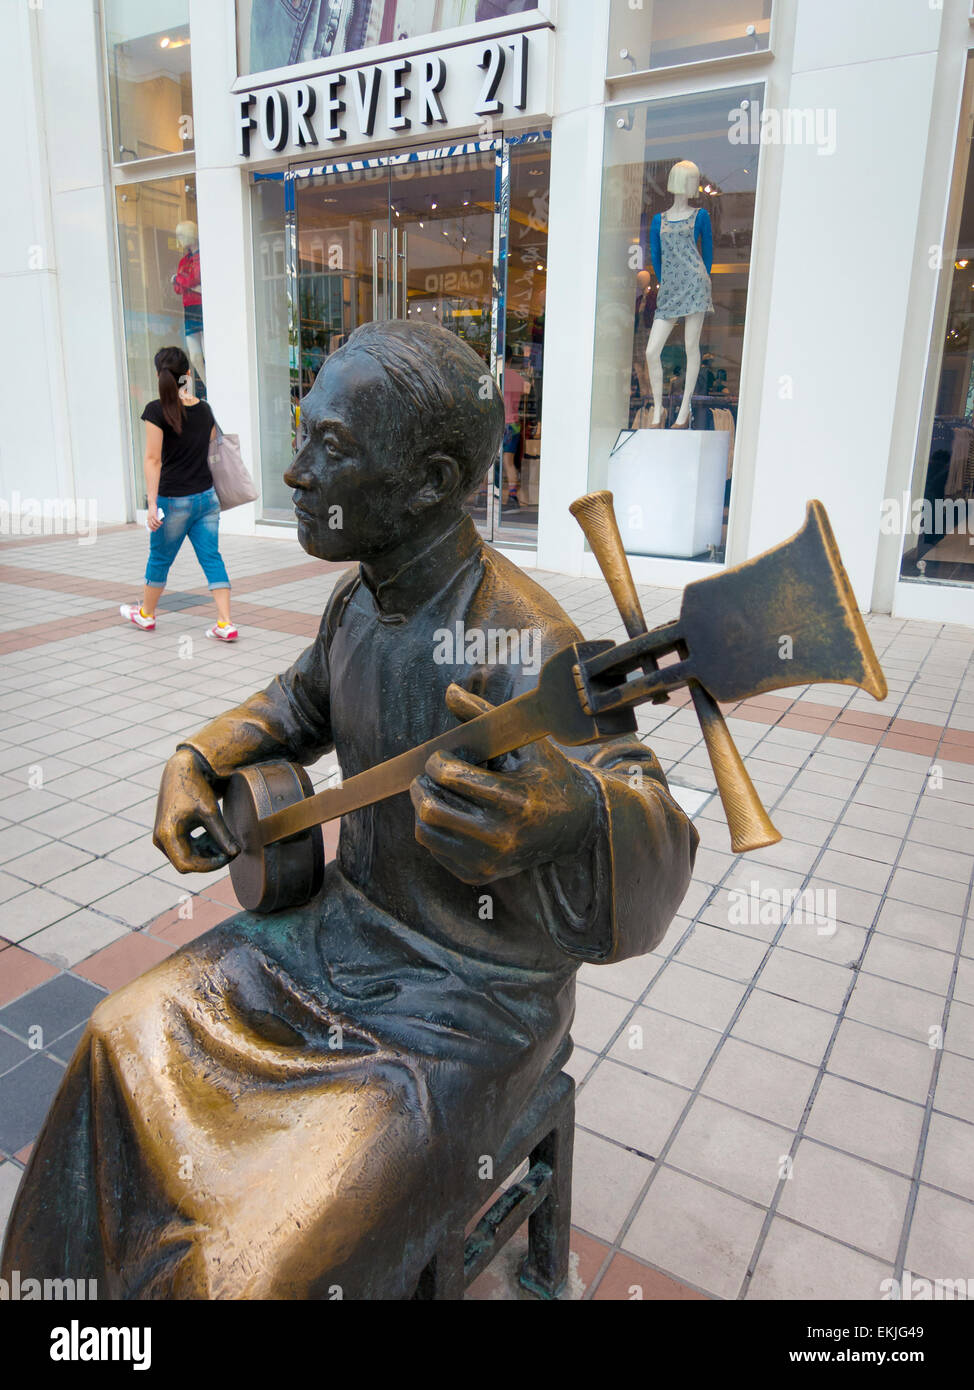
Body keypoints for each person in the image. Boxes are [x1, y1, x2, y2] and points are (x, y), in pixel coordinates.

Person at [4, 322, 696, 1299]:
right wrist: (196, 756)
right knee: (119, 1034)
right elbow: (290, 709)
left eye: (330, 448)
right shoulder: (357, 604)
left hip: (466, 1005)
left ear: (427, 482)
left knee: (253, 1269)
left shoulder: (522, 639)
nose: (292, 471)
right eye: (303, 436)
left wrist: (577, 810)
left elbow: (650, 815)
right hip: (331, 935)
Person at [120, 346, 237, 642]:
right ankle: (225, 622)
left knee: (160, 558)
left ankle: (146, 614)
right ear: (188, 374)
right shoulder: (204, 409)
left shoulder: (156, 411)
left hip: (173, 502)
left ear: (159, 375)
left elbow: (153, 459)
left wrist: (150, 505)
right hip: (206, 499)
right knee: (212, 557)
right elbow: (212, 445)